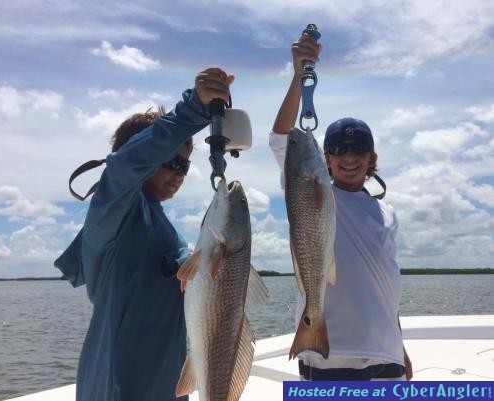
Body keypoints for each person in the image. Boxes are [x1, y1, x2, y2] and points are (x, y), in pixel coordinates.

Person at [54, 67, 234, 401]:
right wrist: (194, 109)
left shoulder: (162, 224)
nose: (179, 174)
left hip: (168, 386)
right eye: (172, 162)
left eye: (186, 166)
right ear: (142, 153)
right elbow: (125, 166)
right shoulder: (116, 210)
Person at [269, 33, 413, 381]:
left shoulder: (387, 213)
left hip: (386, 357)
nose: (350, 158)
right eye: (339, 151)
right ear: (326, 160)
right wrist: (297, 75)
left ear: (371, 158)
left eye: (359, 150)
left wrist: (402, 347)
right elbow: (280, 136)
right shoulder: (317, 192)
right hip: (329, 354)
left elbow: (386, 286)